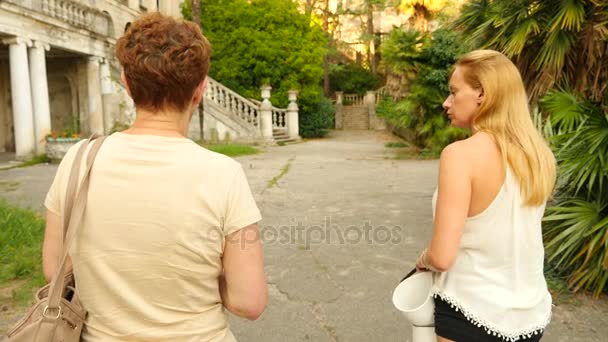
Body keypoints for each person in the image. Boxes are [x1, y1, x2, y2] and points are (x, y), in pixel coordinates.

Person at [42, 13, 267, 342]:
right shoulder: (224, 174)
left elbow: (55, 270)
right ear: (200, 90)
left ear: (127, 83)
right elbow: (249, 301)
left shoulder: (79, 159)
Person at [415, 50, 555, 342]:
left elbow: (441, 257)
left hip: (469, 309)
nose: (446, 102)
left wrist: (423, 258)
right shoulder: (539, 156)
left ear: (482, 94)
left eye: (454, 92)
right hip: (529, 314)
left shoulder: (459, 155)